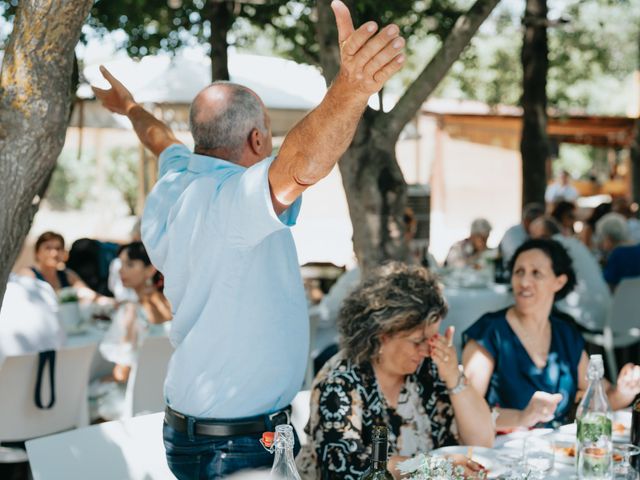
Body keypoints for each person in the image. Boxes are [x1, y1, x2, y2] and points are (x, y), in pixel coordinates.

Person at [91, 1, 406, 477]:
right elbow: (300, 168)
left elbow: (159, 139)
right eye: (270, 139)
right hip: (234, 445)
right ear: (258, 141)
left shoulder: (177, 180)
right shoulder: (229, 205)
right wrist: (351, 88)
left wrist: (129, 106)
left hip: (208, 430)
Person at [296, 262, 494, 480]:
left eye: (432, 338)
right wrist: (427, 465)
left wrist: (453, 378)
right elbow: (345, 468)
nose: (428, 349)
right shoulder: (340, 381)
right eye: (418, 341)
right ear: (383, 335)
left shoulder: (428, 366)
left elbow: (482, 442)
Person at [462, 239, 640, 429]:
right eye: (518, 272)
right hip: (501, 452)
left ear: (559, 281)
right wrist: (522, 417)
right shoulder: (490, 333)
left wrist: (624, 391)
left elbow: (602, 398)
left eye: (536, 273)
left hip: (557, 452)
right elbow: (465, 412)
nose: (524, 282)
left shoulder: (565, 334)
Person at [99, 242, 172, 384]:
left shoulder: (130, 311)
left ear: (150, 270)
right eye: (120, 263)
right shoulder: (170, 303)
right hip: (167, 389)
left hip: (136, 391)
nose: (121, 270)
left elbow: (121, 374)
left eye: (130, 264)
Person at [529, 216, 611, 332]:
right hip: (608, 315)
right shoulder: (575, 243)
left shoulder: (551, 248)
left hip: (583, 319)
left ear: (542, 235)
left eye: (533, 237)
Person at [0, 273, 65, 363]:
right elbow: (62, 343)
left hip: (11, 373)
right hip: (51, 373)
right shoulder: (41, 287)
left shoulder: (41, 287)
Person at [19, 231, 91, 295]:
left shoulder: (67, 275)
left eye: (58, 248)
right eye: (48, 248)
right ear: (37, 253)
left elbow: (87, 293)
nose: (54, 253)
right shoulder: (29, 274)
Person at [498, 202, 545, 266]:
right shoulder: (513, 233)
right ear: (527, 221)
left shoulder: (533, 234)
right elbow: (516, 256)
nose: (542, 226)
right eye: (539, 223)